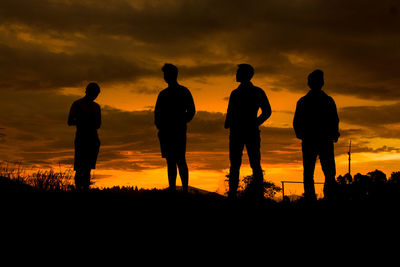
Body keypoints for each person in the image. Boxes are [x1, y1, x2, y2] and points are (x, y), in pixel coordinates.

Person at [225, 64, 272, 199]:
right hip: (239, 132)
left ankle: (253, 194)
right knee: (240, 164)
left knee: (251, 163)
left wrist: (255, 123)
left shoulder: (254, 92)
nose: (236, 74)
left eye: (238, 72)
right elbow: (230, 112)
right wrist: (228, 123)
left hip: (244, 132)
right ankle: (235, 194)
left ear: (245, 74)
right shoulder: (237, 93)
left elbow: (267, 111)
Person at [293, 69, 340, 201]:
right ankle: (321, 197)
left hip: (315, 140)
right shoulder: (327, 100)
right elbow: (334, 120)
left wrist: (301, 134)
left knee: (317, 172)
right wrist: (334, 134)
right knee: (322, 172)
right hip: (320, 140)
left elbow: (334, 120)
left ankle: (317, 197)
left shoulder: (305, 101)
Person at [154, 64, 195, 193]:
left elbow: (191, 111)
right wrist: (161, 126)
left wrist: (181, 122)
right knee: (172, 161)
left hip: (176, 131)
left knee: (178, 160)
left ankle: (183, 190)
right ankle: (176, 190)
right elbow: (157, 114)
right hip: (169, 131)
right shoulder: (166, 93)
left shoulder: (179, 92)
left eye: (166, 74)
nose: (164, 77)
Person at [68, 82, 101, 191]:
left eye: (96, 94)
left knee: (87, 169)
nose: (95, 96)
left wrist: (91, 122)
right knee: (80, 168)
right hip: (82, 139)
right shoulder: (77, 104)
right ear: (88, 92)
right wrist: (82, 121)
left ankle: (85, 190)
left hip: (93, 140)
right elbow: (70, 121)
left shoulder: (97, 107)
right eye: (94, 93)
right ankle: (79, 190)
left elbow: (98, 124)